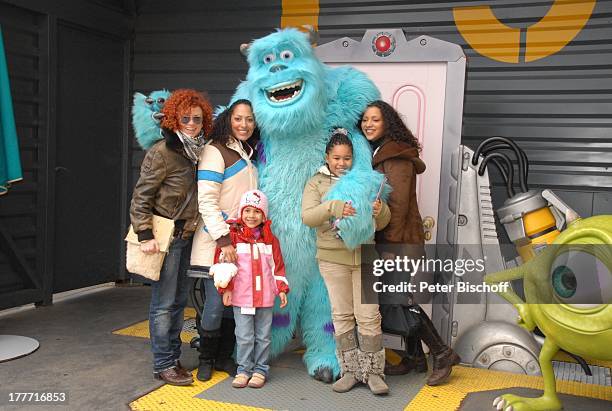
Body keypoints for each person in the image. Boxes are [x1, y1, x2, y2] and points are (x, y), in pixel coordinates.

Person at [360, 100, 461, 386]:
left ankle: (442, 353)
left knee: (400, 302)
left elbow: (399, 203)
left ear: (387, 123)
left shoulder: (396, 156)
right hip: (386, 240)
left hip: (396, 242)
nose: (368, 124)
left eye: (375, 119)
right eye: (365, 119)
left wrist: (390, 246)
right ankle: (413, 357)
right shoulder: (380, 152)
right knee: (392, 301)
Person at [130, 89, 213, 386]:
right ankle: (163, 363)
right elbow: (141, 196)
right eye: (185, 118)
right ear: (173, 119)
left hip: (188, 238)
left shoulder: (199, 151)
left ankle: (172, 357)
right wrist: (144, 234)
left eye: (197, 119)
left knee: (179, 301)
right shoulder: (162, 152)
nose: (191, 124)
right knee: (164, 304)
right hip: (166, 239)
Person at [301, 129, 391, 395]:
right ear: (327, 157)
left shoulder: (363, 181)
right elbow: (307, 217)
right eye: (337, 158)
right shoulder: (316, 183)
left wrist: (381, 211)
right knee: (341, 316)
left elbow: (382, 222)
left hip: (364, 255)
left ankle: (373, 372)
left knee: (369, 315)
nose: (342, 163)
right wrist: (333, 207)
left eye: (347, 158)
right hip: (332, 258)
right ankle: (350, 370)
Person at [189, 99, 259, 382]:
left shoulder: (244, 151)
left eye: (250, 119)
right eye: (239, 118)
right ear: (228, 119)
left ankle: (223, 357)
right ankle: (205, 358)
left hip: (241, 244)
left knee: (234, 303)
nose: (244, 124)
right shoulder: (214, 150)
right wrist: (224, 240)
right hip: (217, 244)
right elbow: (206, 201)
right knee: (215, 306)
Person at [217, 189, 289, 389]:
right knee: (244, 336)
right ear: (241, 212)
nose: (251, 216)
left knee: (263, 336)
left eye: (256, 211)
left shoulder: (270, 240)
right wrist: (227, 289)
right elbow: (224, 267)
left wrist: (281, 289)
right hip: (241, 298)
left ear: (264, 215)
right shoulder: (233, 239)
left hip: (265, 298)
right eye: (247, 210)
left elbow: (278, 267)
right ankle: (243, 370)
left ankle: (260, 370)